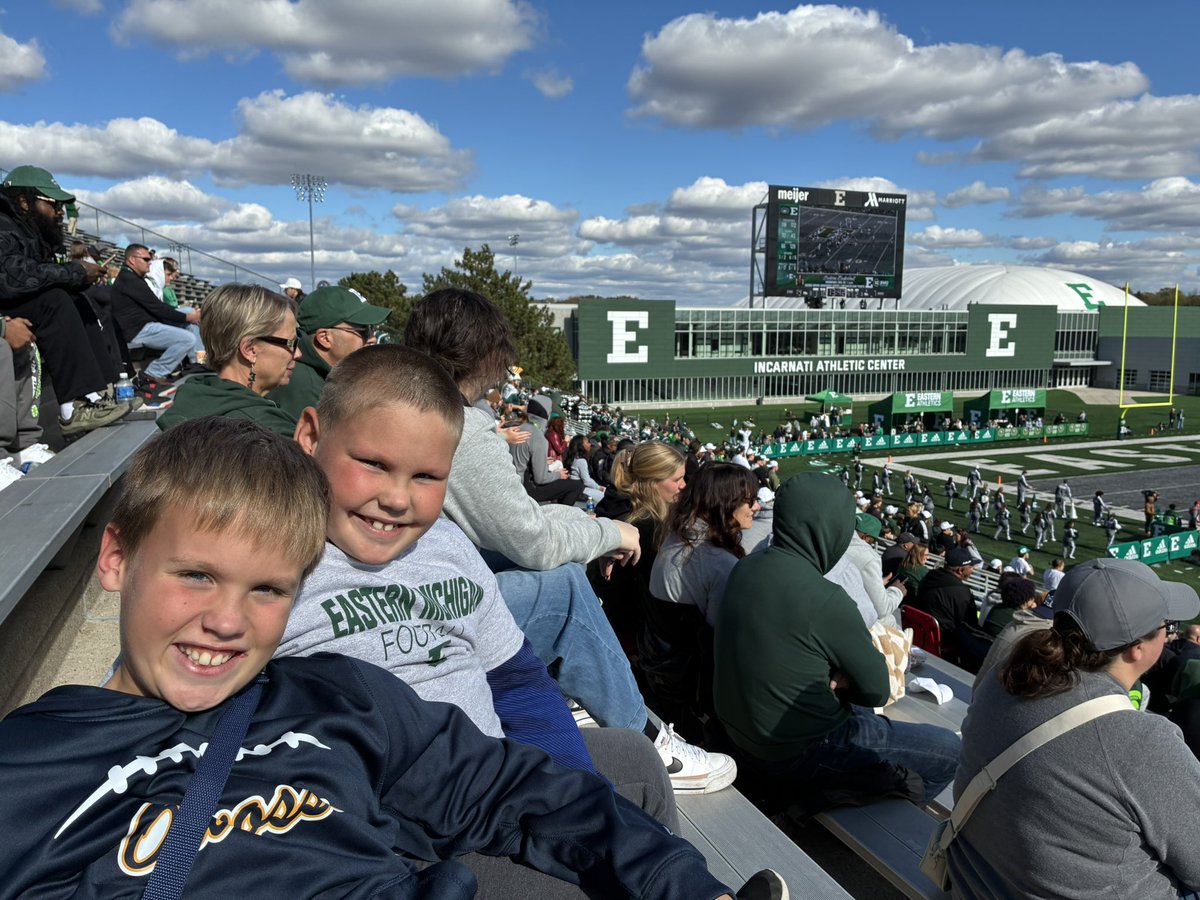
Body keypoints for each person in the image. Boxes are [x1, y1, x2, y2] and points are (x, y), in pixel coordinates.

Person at [0, 415, 787, 900]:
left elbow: (519, 785)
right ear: (116, 559)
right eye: (196, 576)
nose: (228, 622)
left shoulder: (334, 696)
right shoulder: (30, 774)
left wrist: (683, 886)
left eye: (269, 589)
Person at [403, 290, 729, 791]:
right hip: (416, 617)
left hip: (409, 595)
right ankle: (646, 742)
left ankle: (573, 687)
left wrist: (589, 530)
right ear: (485, 354)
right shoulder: (457, 424)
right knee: (563, 589)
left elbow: (514, 522)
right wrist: (608, 531)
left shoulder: (413, 405)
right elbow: (530, 540)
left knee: (563, 563)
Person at [948, 559, 1200, 899]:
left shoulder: (1006, 675)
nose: (1169, 636)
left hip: (976, 883)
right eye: (1167, 626)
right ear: (1137, 648)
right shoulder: (1143, 741)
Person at [714, 472, 960, 812]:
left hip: (741, 736)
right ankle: (886, 818)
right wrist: (844, 677)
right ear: (833, 529)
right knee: (950, 748)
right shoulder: (826, 598)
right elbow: (877, 690)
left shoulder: (745, 567)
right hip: (800, 750)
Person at [0, 165, 132, 436]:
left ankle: (99, 394)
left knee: (77, 299)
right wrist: (75, 272)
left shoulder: (30, 230)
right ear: (24, 201)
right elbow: (11, 277)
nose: (60, 211)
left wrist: (79, 276)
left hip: (14, 302)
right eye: (53, 204)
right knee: (55, 300)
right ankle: (73, 408)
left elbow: (35, 273)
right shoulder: (4, 226)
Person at [647, 462, 759, 740]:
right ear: (725, 503)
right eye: (749, 500)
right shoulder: (718, 562)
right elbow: (724, 639)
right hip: (691, 688)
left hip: (663, 668)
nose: (755, 507)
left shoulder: (675, 534)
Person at [157, 283, 300, 435]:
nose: (298, 353)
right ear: (250, 349)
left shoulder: (197, 398)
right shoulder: (268, 434)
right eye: (292, 343)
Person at [268, 284, 389, 419]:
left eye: (371, 328)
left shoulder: (324, 374)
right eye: (363, 331)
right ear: (324, 338)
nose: (372, 338)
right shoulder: (307, 389)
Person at [111, 243, 203, 391]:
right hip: (138, 330)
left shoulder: (134, 278)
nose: (150, 263)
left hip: (148, 323)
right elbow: (158, 308)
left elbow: (158, 307)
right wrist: (188, 317)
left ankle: (198, 364)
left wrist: (190, 315)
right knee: (187, 338)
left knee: (189, 312)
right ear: (132, 260)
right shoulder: (129, 280)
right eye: (146, 259)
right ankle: (154, 372)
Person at [563, 434, 605, 506]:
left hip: (575, 488)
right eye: (587, 442)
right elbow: (586, 480)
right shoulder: (581, 461)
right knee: (603, 497)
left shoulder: (573, 457)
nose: (590, 444)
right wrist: (598, 487)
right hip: (580, 489)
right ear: (581, 446)